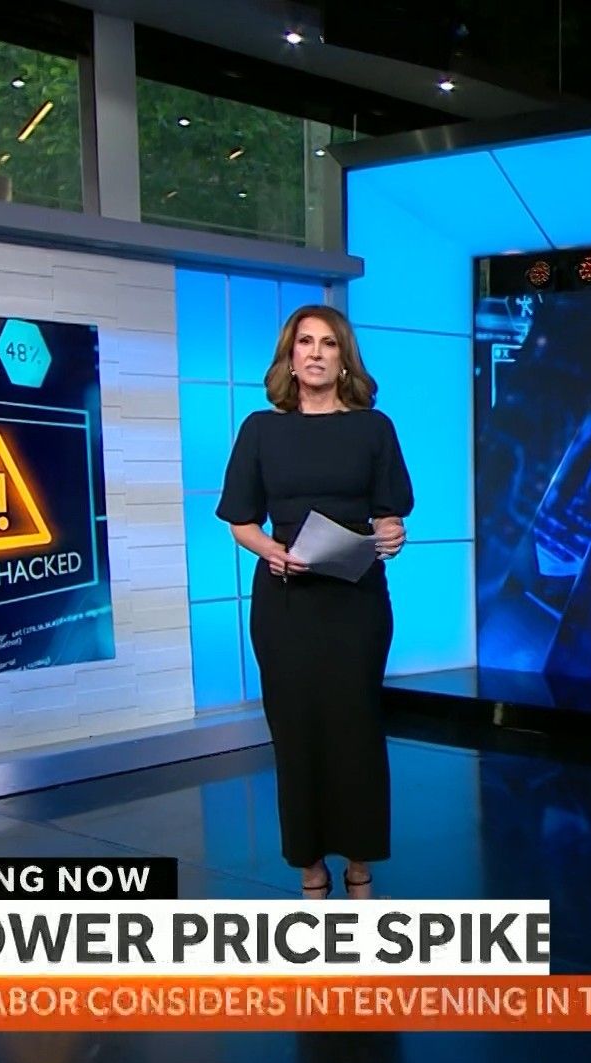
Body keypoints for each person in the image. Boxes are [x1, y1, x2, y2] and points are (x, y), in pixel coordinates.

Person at [216, 304, 413, 895]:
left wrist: (392, 535)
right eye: (305, 342)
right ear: (290, 356)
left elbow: (390, 515)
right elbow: (241, 521)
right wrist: (271, 552)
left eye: (329, 343)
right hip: (286, 602)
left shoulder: (374, 429)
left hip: (356, 601)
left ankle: (359, 862)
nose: (316, 353)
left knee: (355, 728)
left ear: (344, 358)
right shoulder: (260, 429)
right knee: (296, 729)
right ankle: (309, 864)